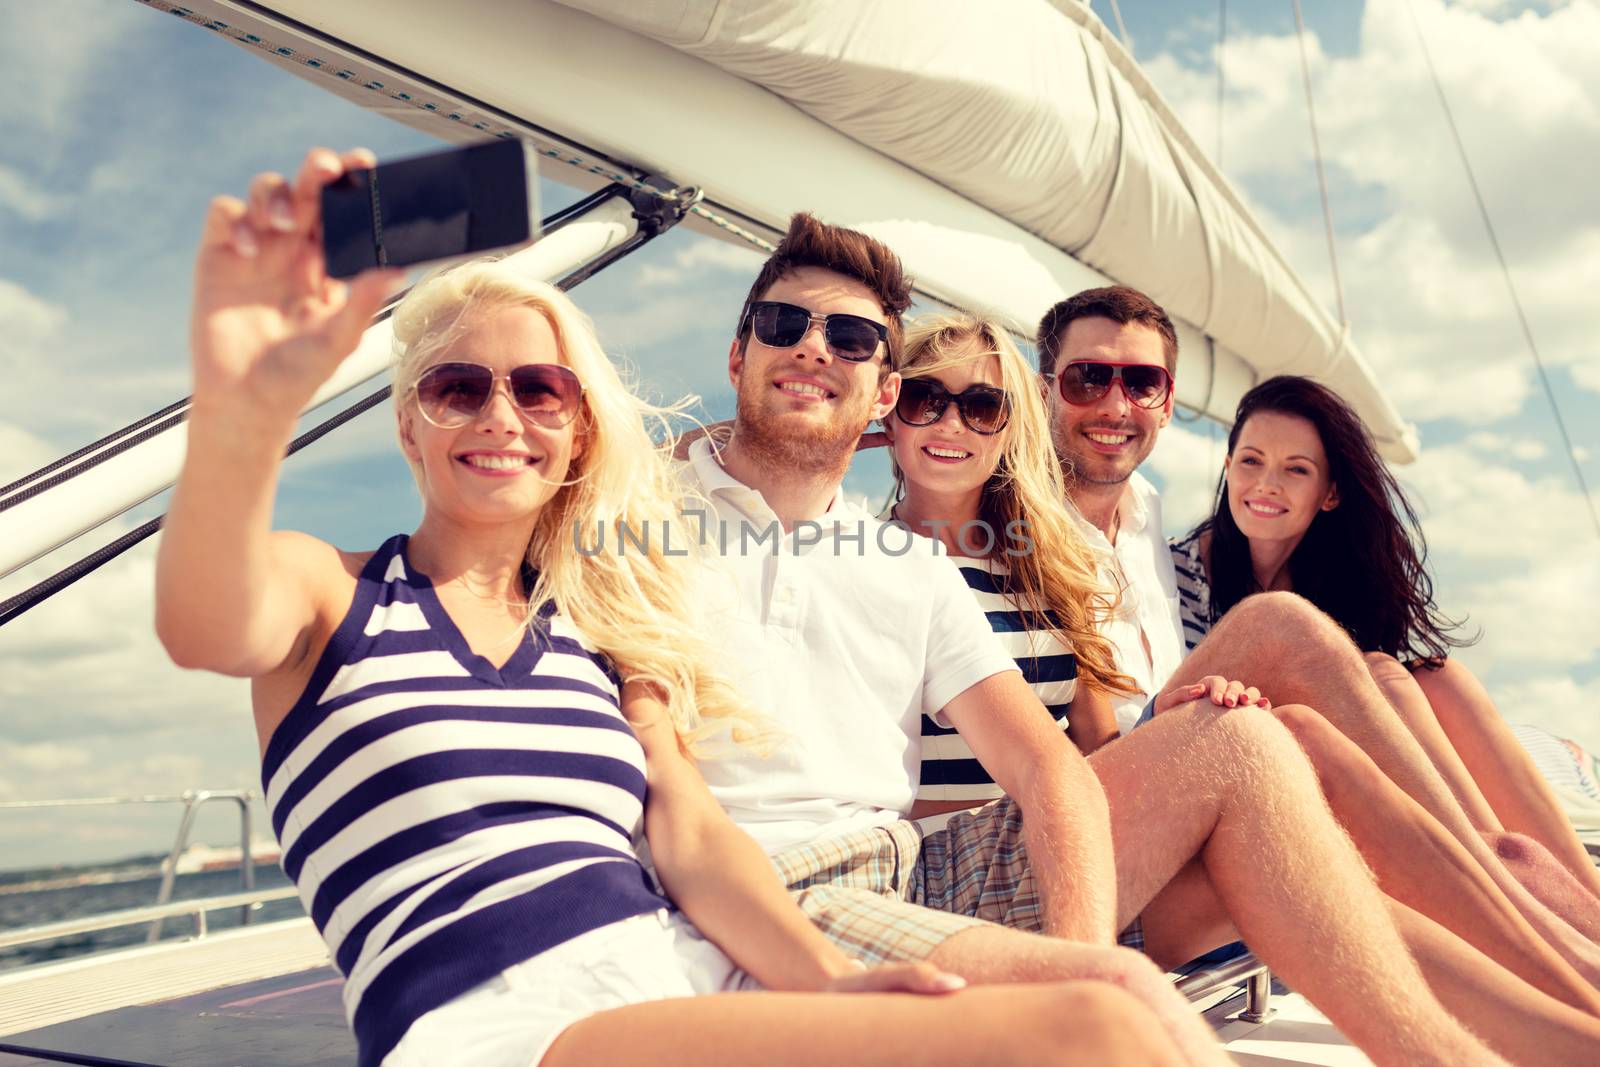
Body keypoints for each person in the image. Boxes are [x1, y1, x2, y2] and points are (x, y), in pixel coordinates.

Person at [152, 147, 1207, 1067]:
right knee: (1094, 1029)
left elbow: (694, 834)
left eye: (540, 390)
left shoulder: (596, 628)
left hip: (688, 968)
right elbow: (205, 622)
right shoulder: (326, 592)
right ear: (408, 424)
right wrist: (245, 407)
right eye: (455, 387)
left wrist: (827, 982)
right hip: (503, 1023)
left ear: (575, 432)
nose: (501, 414)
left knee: (1122, 996)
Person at [679, 214, 1508, 1065]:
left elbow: (1063, 765)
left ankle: (1530, 988)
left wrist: (1080, 951)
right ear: (738, 357)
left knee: (1258, 735)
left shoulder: (957, 569)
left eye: (853, 340)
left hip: (939, 861)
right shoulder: (645, 516)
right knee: (1278, 666)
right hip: (800, 877)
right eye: (786, 328)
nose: (816, 352)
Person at [879, 310, 1600, 1061]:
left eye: (982, 405)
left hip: (1104, 804)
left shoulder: (1049, 555)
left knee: (1318, 776)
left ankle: (1580, 1020)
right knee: (1278, 638)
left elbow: (1088, 735)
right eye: (924, 399)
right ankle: (1518, 896)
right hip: (983, 855)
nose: (952, 422)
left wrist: (1181, 734)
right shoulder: (879, 559)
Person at [1038, 286, 1600, 996]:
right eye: (1089, 377)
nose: (1116, 403)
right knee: (1291, 631)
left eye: (1141, 381)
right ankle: (1504, 876)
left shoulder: (1140, 510)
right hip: (1157, 784)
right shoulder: (1039, 523)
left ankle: (1530, 878)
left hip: (1214, 745)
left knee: (1419, 676)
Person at [1174, 373, 1600, 903]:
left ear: (1330, 494)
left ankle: (1579, 894)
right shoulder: (1179, 573)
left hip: (1335, 767)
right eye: (1251, 461)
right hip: (1245, 768)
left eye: (1296, 469)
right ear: (1228, 467)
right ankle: (1510, 891)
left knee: (1439, 679)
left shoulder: (1332, 584)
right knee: (1386, 678)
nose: (1266, 484)